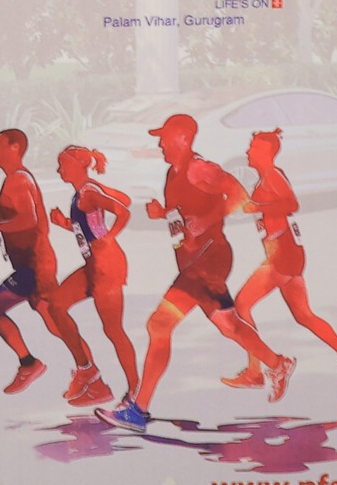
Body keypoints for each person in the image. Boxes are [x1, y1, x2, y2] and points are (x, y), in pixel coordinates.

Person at [105, 114, 290, 428]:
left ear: (184, 139)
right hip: (193, 260)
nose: (160, 144)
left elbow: (239, 196)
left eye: (165, 138)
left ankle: (138, 410)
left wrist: (208, 220)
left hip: (209, 259)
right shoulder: (172, 174)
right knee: (229, 325)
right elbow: (184, 213)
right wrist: (162, 213)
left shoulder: (199, 168)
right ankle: (277, 364)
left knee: (159, 324)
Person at [230, 128, 337, 398]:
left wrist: (258, 207)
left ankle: (257, 371)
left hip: (282, 255)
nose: (247, 151)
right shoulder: (266, 178)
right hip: (288, 254)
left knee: (241, 305)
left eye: (253, 147)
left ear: (266, 152)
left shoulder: (273, 175)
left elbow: (291, 203)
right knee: (304, 315)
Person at [0, 129, 96, 399]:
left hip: (35, 266)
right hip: (32, 263)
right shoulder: (15, 179)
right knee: (55, 322)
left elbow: (27, 221)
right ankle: (87, 373)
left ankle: (35, 364)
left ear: (15, 148)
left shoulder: (18, 180)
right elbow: (16, 218)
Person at [48, 145, 137, 404]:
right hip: (93, 265)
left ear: (78, 166)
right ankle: (87, 371)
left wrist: (109, 238)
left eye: (63, 165)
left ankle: (135, 390)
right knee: (56, 305)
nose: (59, 170)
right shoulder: (85, 191)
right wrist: (65, 224)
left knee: (113, 330)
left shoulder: (88, 193)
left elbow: (124, 211)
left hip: (107, 267)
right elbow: (91, 225)